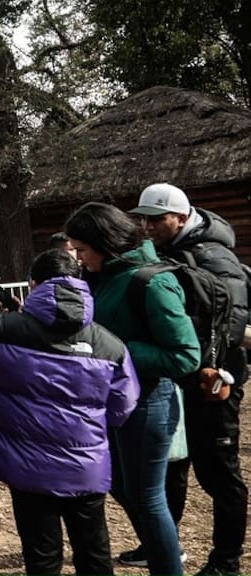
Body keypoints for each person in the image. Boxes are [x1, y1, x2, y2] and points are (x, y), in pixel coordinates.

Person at [0, 249, 139, 575]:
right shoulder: (110, 345)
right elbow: (123, 404)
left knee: (42, 556)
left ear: (33, 285)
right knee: (94, 553)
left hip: (29, 471)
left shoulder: (1, 331)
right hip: (87, 468)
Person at [65, 202, 200, 576]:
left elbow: (185, 356)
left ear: (105, 243)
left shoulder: (152, 282)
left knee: (148, 497)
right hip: (113, 401)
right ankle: (161, 551)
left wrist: (118, 351)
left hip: (149, 403)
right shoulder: (102, 275)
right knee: (121, 486)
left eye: (82, 249)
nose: (78, 257)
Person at [130, 183, 248, 575]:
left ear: (180, 217)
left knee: (219, 472)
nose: (147, 226)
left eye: (156, 219)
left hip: (213, 380)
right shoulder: (168, 250)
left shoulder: (215, 258)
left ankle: (226, 561)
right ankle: (162, 543)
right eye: (143, 218)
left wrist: (217, 370)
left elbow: (231, 319)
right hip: (177, 375)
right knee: (174, 464)